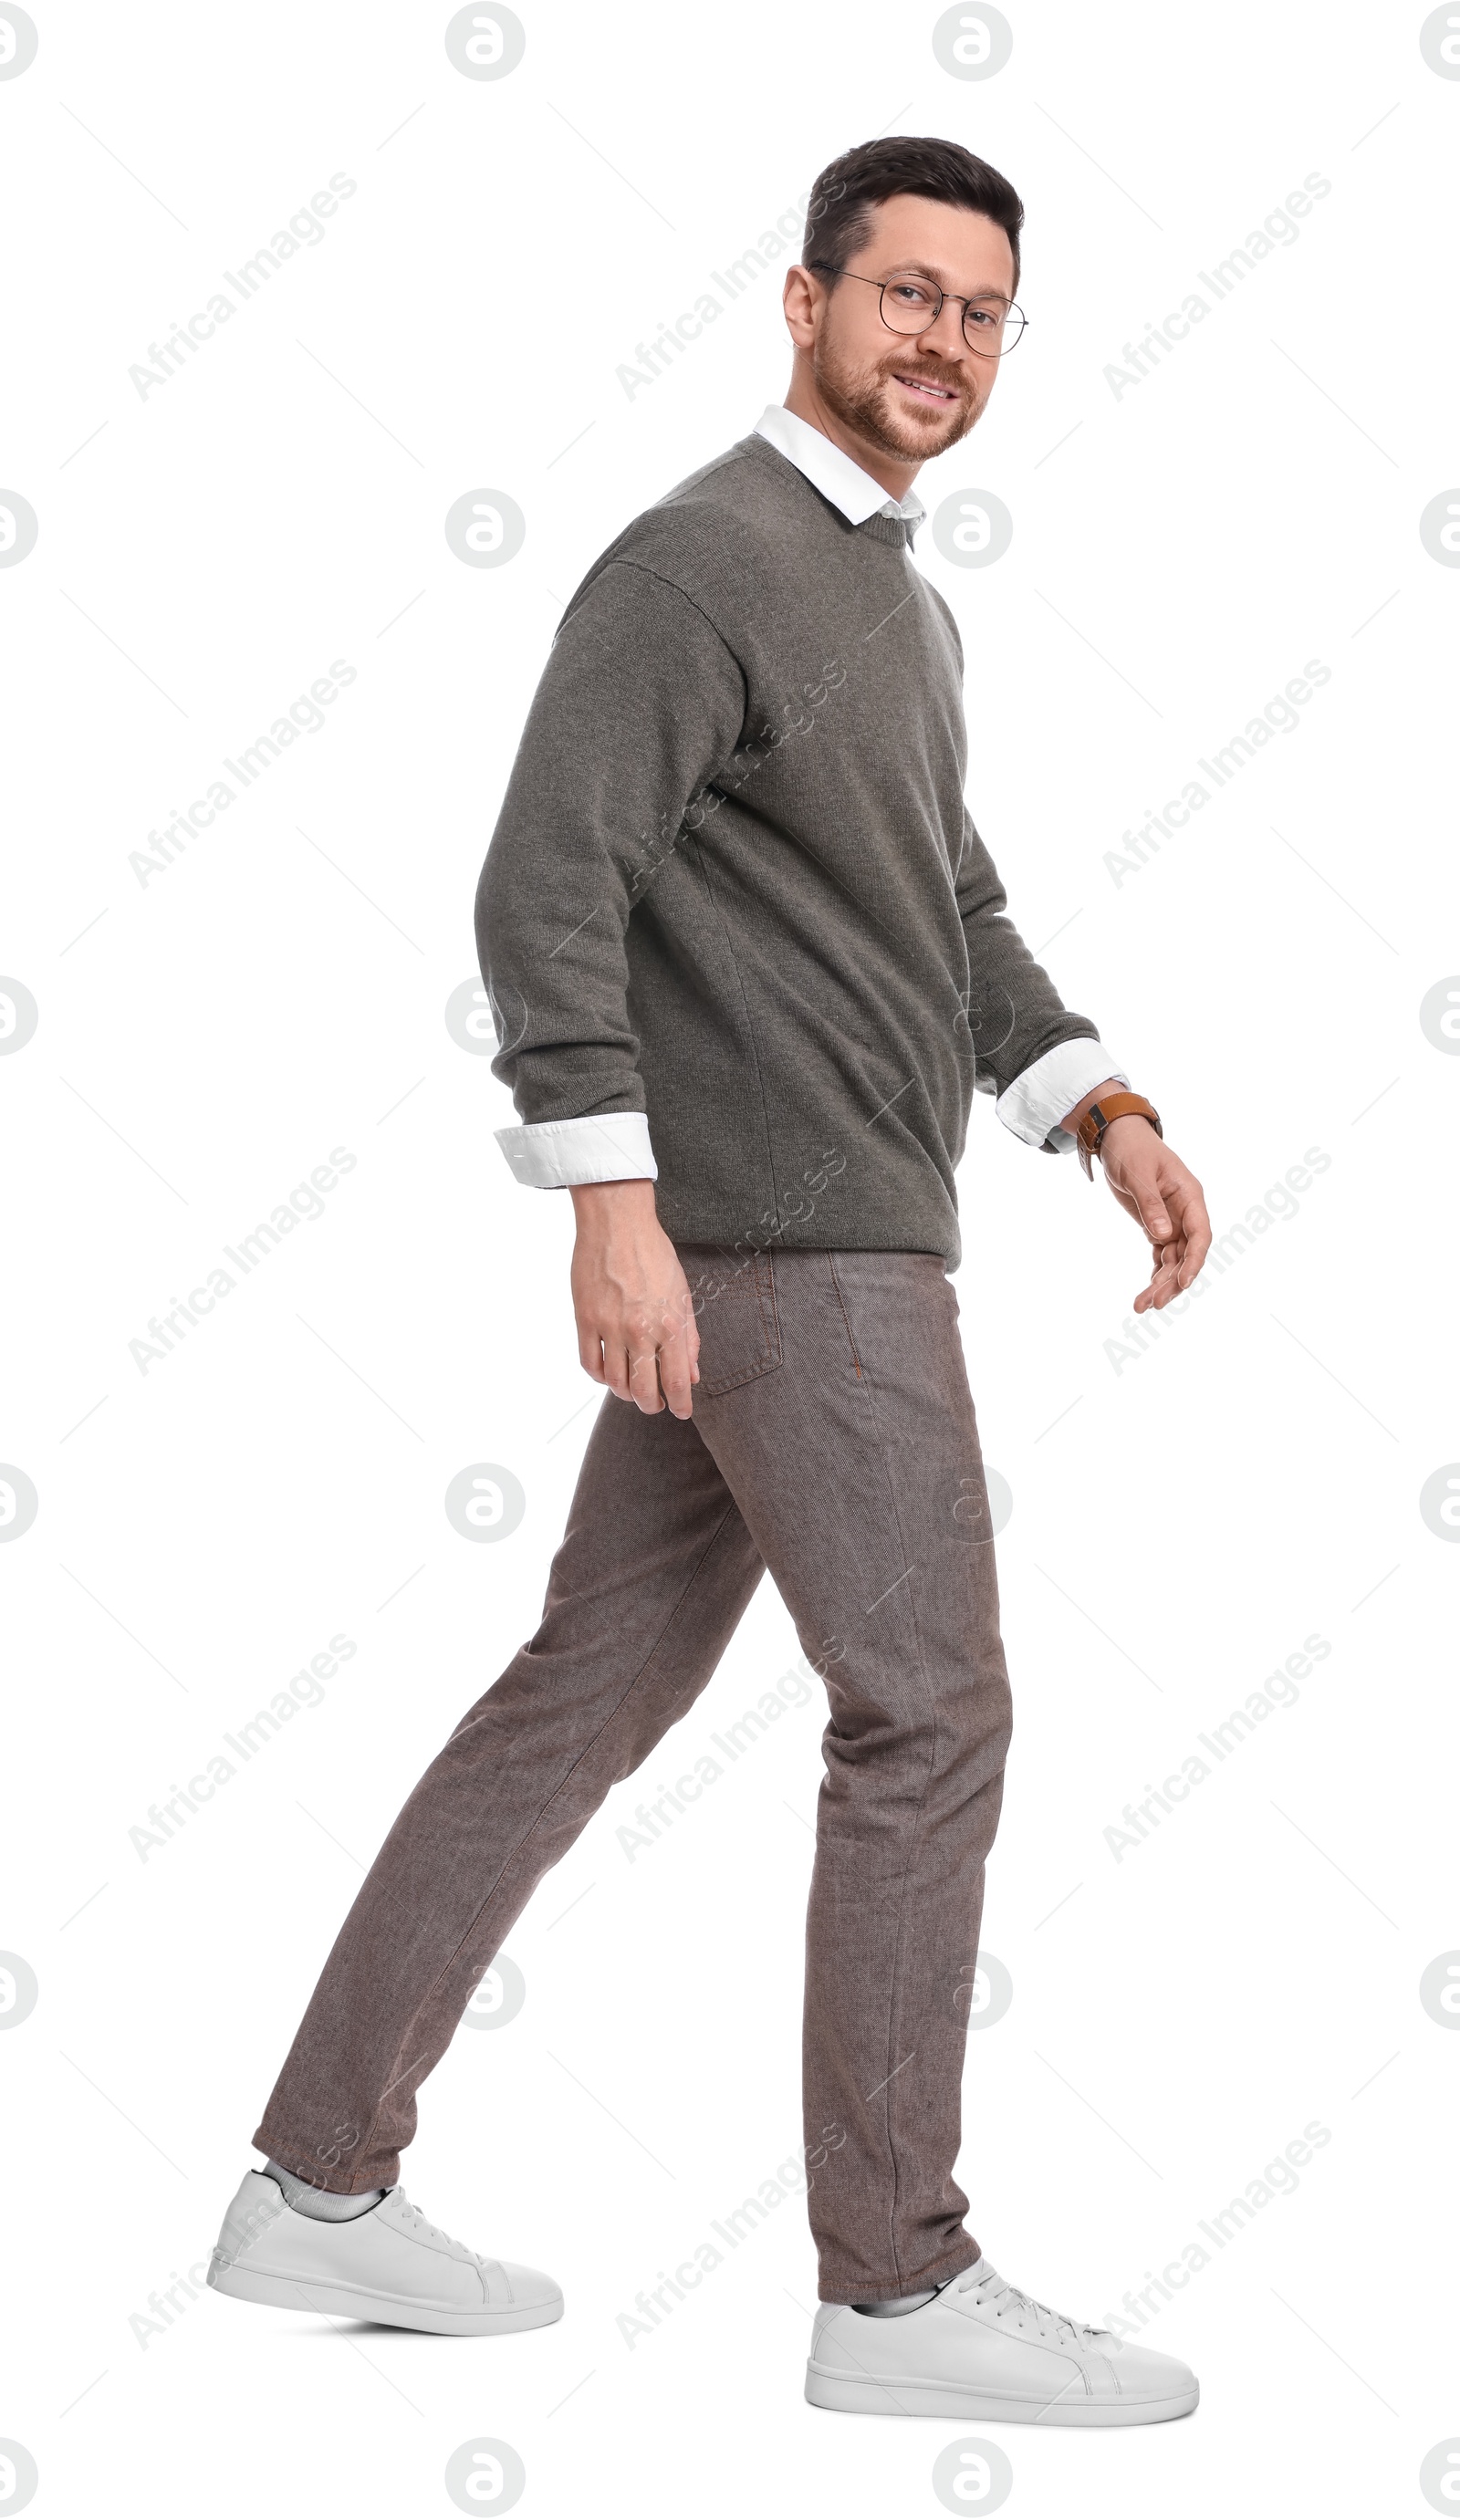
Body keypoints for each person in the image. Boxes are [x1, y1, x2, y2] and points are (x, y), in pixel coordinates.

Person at [208, 133, 1211, 2426]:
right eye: (905, 298)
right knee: (929, 1714)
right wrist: (608, 1203)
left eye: (981, 312)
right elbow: (539, 895)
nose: (941, 342)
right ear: (802, 302)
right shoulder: (694, 566)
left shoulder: (898, 602)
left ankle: (314, 2183)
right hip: (799, 1259)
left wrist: (1097, 1105)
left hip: (819, 1235)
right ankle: (893, 2287)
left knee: (574, 1691)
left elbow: (942, 906)